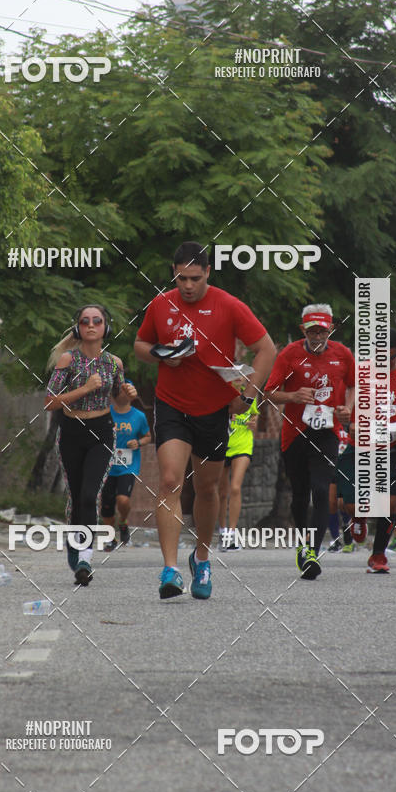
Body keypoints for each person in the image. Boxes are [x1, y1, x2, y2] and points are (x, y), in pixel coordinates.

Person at [134, 242, 276, 600]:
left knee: (208, 489)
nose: (187, 285)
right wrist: (161, 355)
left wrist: (248, 394)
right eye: (181, 278)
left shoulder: (229, 305)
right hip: (171, 406)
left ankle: (201, 557)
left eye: (195, 278)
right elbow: (140, 345)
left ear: (208, 273)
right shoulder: (161, 304)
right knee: (169, 481)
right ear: (173, 272)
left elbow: (267, 349)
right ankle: (169, 570)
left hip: (213, 409)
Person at [44, 305, 136, 586]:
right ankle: (75, 543)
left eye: (97, 321)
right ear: (78, 328)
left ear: (106, 328)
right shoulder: (67, 361)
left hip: (102, 432)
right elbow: (49, 402)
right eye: (85, 322)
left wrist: (128, 393)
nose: (92, 326)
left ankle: (85, 556)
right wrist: (84, 388)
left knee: (88, 494)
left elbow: (120, 400)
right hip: (72, 431)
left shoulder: (114, 363)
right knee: (75, 494)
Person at [264, 304, 355, 580]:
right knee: (301, 494)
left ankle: (312, 552)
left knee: (321, 489)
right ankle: (303, 544)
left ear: (331, 330)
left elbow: (352, 386)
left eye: (322, 331)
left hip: (326, 431)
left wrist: (346, 408)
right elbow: (269, 393)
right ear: (303, 330)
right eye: (312, 331)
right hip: (295, 433)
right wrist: (293, 397)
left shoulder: (343, 354)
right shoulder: (289, 354)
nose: (317, 336)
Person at [337, 328, 396, 573]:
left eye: (387, 357)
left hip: (392, 449)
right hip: (360, 446)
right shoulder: (361, 373)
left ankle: (378, 556)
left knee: (389, 504)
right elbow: (343, 404)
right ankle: (357, 518)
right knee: (352, 506)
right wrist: (349, 423)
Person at [100, 381, 151, 550]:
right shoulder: (106, 414)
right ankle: (111, 537)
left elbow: (147, 436)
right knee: (106, 503)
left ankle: (123, 520)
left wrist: (138, 442)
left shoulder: (139, 416)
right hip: (107, 464)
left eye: (124, 390)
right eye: (117, 390)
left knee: (123, 499)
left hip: (128, 465)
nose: (120, 393)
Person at [218, 378, 259, 552]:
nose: (239, 378)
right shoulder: (221, 392)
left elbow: (254, 416)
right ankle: (222, 530)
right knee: (221, 492)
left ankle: (232, 534)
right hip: (222, 443)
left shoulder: (250, 393)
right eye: (234, 374)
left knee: (235, 487)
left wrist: (253, 424)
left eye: (241, 375)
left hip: (243, 443)